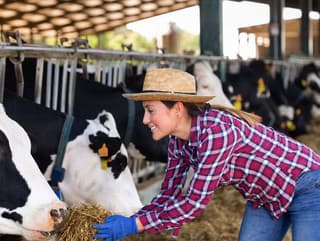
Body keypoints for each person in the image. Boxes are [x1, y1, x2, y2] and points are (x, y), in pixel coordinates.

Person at [92, 68, 320, 241]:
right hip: (266, 196)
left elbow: (193, 203)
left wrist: (136, 225)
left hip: (308, 186)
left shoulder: (215, 133)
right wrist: (132, 220)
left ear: (178, 109)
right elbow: (169, 193)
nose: (144, 120)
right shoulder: (178, 141)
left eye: (150, 110)